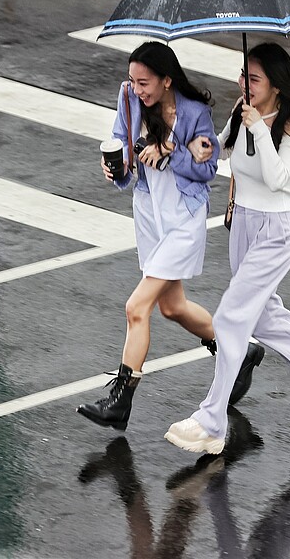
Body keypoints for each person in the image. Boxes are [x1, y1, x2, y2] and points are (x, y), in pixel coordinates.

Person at [164, 43, 290, 454]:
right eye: (242, 76)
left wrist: (257, 130)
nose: (244, 85)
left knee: (232, 320)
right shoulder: (242, 111)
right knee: (264, 319)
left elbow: (278, 179)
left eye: (253, 79)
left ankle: (210, 422)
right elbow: (221, 149)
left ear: (276, 85)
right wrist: (202, 147)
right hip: (243, 227)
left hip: (275, 233)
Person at [77, 42, 264, 431]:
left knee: (137, 307)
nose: (137, 89)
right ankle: (240, 350)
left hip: (183, 218)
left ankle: (120, 401)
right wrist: (117, 170)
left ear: (166, 80)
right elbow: (125, 159)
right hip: (149, 215)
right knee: (172, 307)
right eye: (132, 80)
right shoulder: (129, 100)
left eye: (144, 82)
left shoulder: (194, 114)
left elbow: (208, 169)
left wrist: (169, 153)